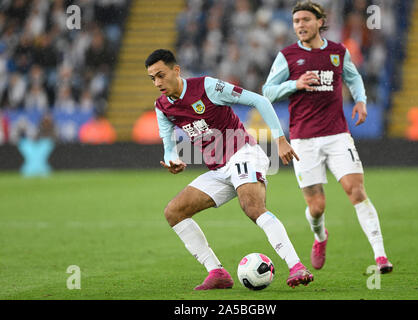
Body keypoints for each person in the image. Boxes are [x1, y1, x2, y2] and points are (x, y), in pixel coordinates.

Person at [146, 49, 314, 290]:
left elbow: (259, 100)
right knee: (174, 212)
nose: (157, 83)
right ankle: (217, 272)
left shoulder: (207, 87)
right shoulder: (162, 107)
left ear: (176, 70)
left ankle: (296, 265)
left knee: (252, 207)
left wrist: (279, 139)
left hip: (244, 153)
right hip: (218, 169)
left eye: (161, 75)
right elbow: (168, 145)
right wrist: (172, 160)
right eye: (152, 78)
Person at [262, 1, 393, 274]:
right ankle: (320, 237)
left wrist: (360, 100)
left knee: (356, 190)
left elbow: (354, 78)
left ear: (320, 22)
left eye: (306, 20)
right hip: (302, 139)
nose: (300, 25)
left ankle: (381, 256)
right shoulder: (287, 56)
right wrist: (294, 84)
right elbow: (267, 92)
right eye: (296, 21)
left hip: (337, 135)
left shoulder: (337, 52)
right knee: (317, 207)